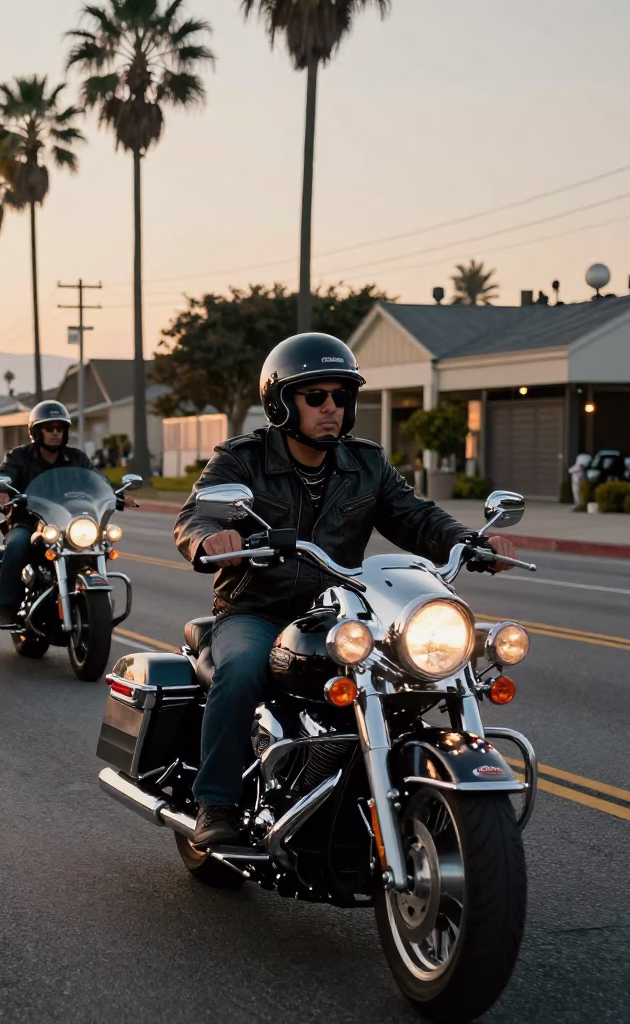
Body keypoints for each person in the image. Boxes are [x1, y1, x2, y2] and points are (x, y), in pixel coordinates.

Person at [173, 333, 520, 847]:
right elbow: (195, 516)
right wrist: (209, 539)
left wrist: (471, 542)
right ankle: (216, 802)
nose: (331, 407)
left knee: (422, 670)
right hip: (256, 610)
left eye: (340, 396)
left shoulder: (366, 463)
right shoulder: (242, 458)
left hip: (338, 613)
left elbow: (414, 516)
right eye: (315, 397)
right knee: (243, 669)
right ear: (282, 402)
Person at [0, 401, 122, 629]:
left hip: (70, 524)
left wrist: (119, 494)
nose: (54, 434)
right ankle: (7, 608)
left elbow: (97, 480)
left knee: (100, 544)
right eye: (49, 428)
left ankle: (93, 605)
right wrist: (1, 490)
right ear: (36, 432)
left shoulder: (77, 458)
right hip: (30, 523)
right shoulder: (19, 457)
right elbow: (4, 474)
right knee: (18, 545)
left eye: (59, 429)